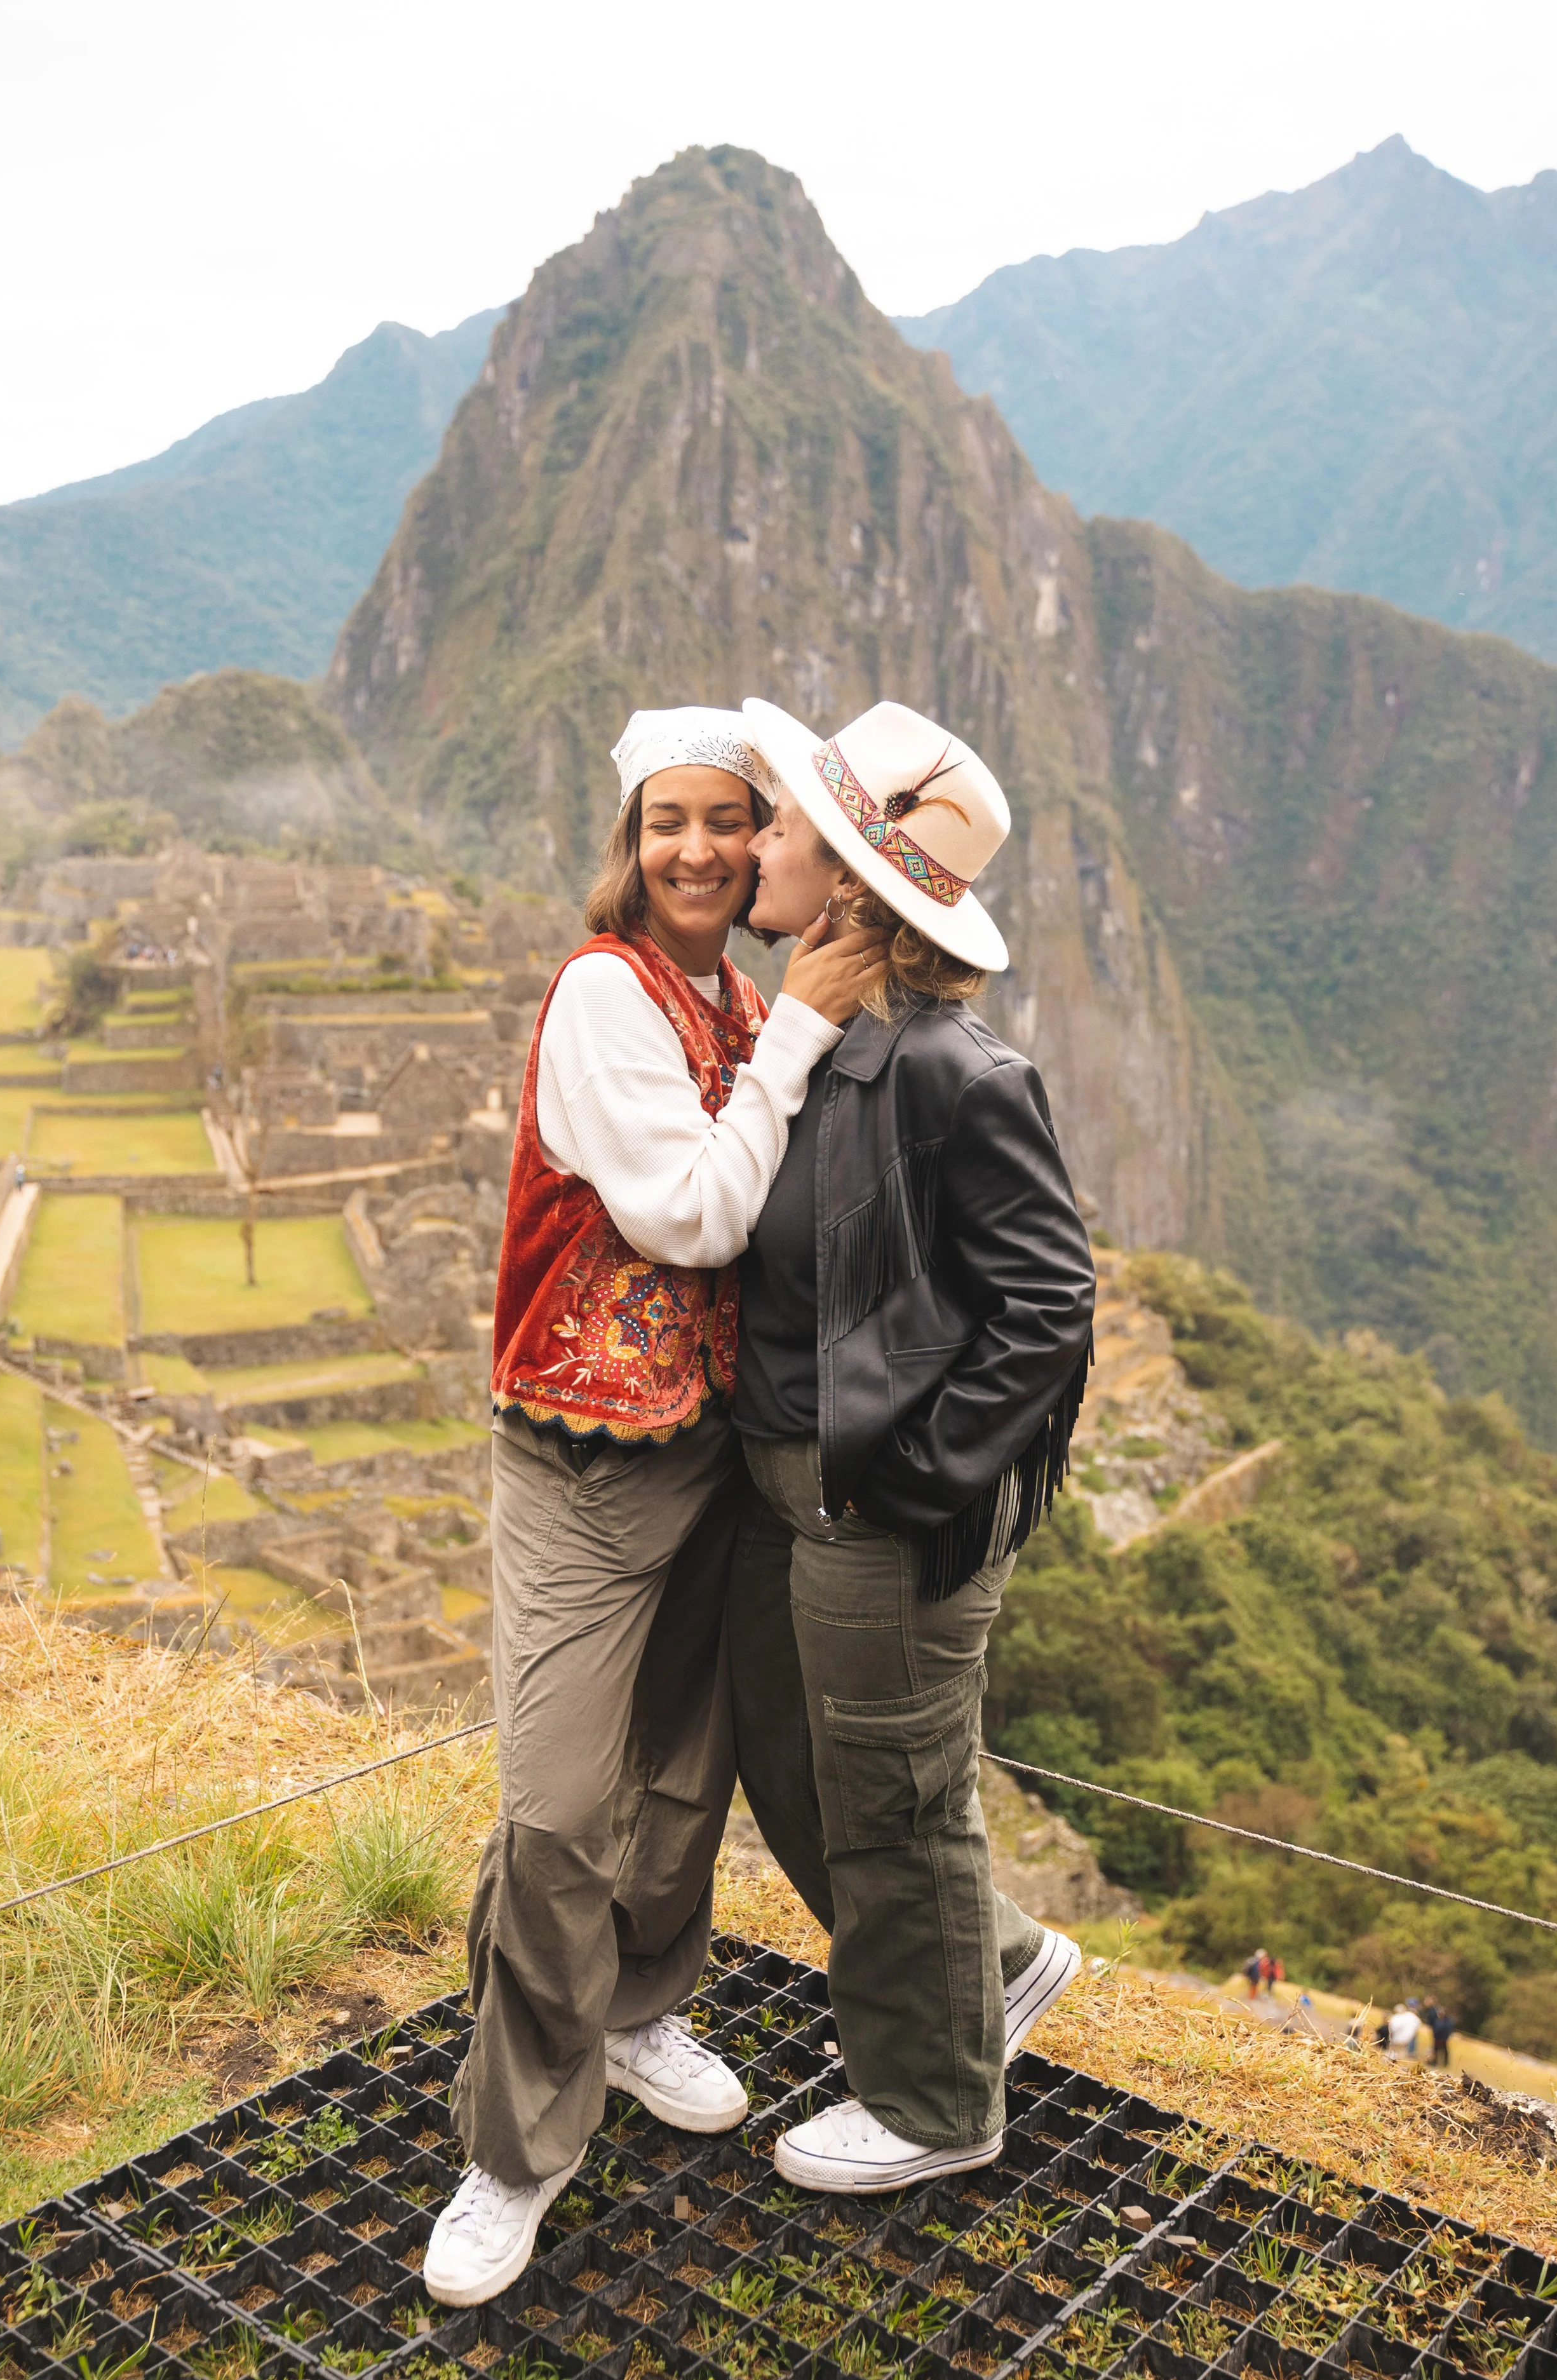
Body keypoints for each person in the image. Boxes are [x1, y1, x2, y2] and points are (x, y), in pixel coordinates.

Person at [426, 707, 885, 2306]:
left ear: (764, 840)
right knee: (558, 1807)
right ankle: (510, 2153)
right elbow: (691, 1216)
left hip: (705, 1454)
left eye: (725, 821)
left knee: (685, 1778)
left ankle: (635, 2015)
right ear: (629, 840)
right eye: (665, 821)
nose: (695, 849)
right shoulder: (603, 1000)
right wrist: (804, 1038)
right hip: (575, 1465)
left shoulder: (734, 1001)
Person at [725, 696, 1097, 2193]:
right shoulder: (815, 1050)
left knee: (891, 1794)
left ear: (851, 882)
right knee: (802, 1772)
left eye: (786, 830)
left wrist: (910, 1478)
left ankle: (937, 2102)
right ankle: (989, 1966)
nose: (755, 845)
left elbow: (1048, 1303)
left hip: (873, 1515)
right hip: (796, 1498)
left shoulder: (952, 1074)